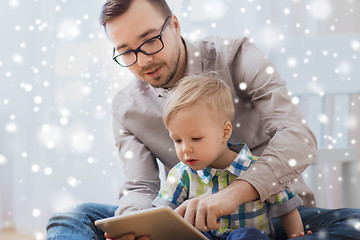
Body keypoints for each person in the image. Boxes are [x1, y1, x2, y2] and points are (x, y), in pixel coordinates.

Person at [46, 0, 360, 239]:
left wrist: (233, 193)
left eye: (150, 39)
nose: (144, 60)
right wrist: (135, 224)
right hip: (186, 223)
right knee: (72, 218)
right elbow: (140, 186)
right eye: (126, 52)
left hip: (268, 215)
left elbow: (298, 139)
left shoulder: (237, 56)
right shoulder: (126, 107)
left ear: (176, 25)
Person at [152, 74, 310, 239]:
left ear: (225, 132)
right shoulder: (181, 174)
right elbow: (162, 215)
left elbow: (287, 209)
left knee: (249, 235)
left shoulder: (259, 170)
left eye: (196, 138)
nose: (185, 149)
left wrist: (296, 235)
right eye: (177, 140)